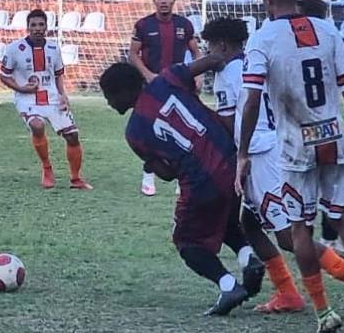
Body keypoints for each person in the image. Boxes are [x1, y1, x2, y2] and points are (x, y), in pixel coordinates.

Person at [235, 0, 344, 333]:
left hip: (294, 146)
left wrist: (241, 154)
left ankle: (324, 313)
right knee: (341, 218)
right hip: (332, 136)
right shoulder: (327, 30)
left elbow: (252, 100)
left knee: (300, 228)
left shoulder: (263, 38)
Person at [203, 17, 344, 317]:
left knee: (290, 236)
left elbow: (227, 122)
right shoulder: (258, 60)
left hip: (260, 155)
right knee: (249, 223)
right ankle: (287, 292)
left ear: (222, 45)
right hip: (275, 144)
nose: (207, 51)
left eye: (209, 45)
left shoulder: (227, 74)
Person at [99, 58, 264, 316]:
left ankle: (228, 285)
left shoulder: (134, 132)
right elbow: (208, 62)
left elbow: (166, 174)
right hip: (230, 162)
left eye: (109, 96)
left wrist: (156, 164)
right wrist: (223, 57)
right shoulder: (168, 78)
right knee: (226, 221)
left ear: (123, 91)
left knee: (186, 242)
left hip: (200, 181)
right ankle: (248, 257)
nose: (109, 104)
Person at [0, 9, 92, 190]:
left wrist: (63, 95)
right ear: (28, 27)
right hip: (27, 99)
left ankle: (75, 179)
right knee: (37, 125)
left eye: (41, 25)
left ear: (47, 27)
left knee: (73, 136)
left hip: (51, 97)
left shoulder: (53, 48)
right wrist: (21, 88)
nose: (37, 29)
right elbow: (4, 76)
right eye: (33, 25)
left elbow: (58, 75)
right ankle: (47, 168)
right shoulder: (14, 49)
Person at [129, 0, 202, 196]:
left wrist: (198, 75)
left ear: (173, 0)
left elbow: (197, 52)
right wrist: (148, 75)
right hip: (152, 87)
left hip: (178, 86)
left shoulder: (185, 25)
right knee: (151, 130)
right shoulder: (143, 25)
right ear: (154, 0)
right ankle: (148, 174)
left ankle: (182, 176)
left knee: (182, 131)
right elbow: (133, 54)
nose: (163, 1)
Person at [296, 0, 344, 256]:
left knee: (303, 189)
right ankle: (329, 240)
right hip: (330, 123)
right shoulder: (331, 35)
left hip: (298, 127)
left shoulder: (285, 39)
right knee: (332, 187)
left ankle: (311, 243)